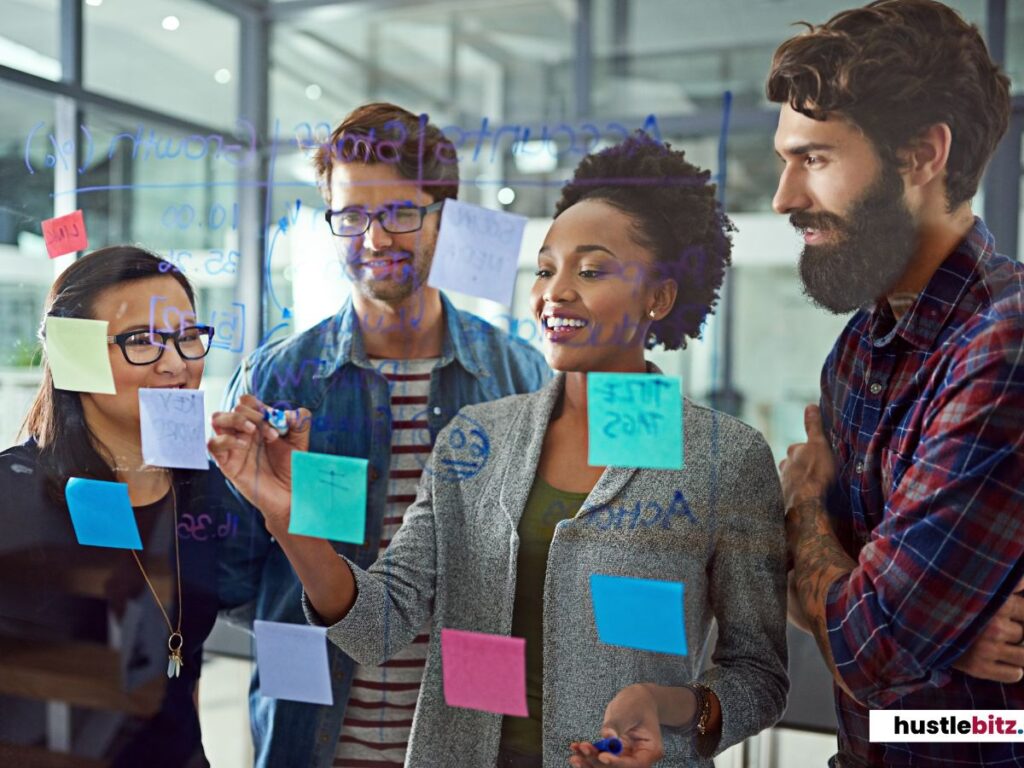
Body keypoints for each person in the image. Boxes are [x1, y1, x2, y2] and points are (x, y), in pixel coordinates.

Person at [210, 132, 788, 768]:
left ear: (659, 297)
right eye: (545, 269)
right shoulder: (476, 436)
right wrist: (293, 522)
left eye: (591, 270)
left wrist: (670, 702)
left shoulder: (722, 457)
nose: (555, 292)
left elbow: (757, 678)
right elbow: (379, 626)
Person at [216, 102, 549, 768]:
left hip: (468, 741)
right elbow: (236, 571)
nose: (373, 240)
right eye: (350, 216)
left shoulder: (516, 376)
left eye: (398, 213)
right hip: (312, 737)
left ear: (444, 218)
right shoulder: (280, 376)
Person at [769, 2, 1024, 766]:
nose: (783, 197)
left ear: (921, 156)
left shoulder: (1004, 343)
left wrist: (801, 508)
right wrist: (930, 634)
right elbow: (847, 625)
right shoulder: (857, 351)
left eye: (813, 158)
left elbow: (872, 651)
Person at [0, 247, 239, 767]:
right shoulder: (12, 495)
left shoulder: (207, 491)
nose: (175, 363)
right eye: (142, 341)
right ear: (72, 353)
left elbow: (182, 670)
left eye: (187, 338)